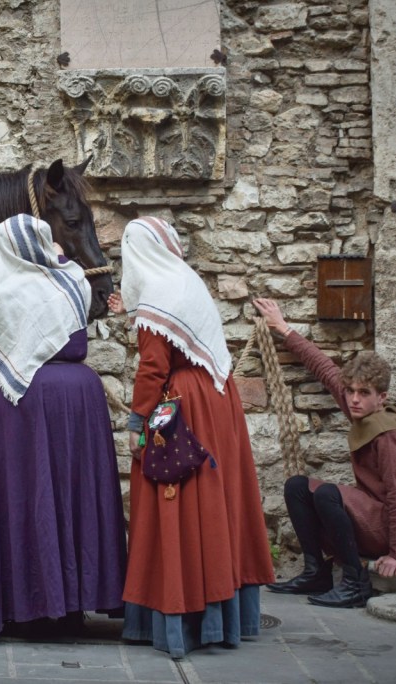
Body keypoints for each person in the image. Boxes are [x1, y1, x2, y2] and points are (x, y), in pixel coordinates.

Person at [108, 216, 274, 658]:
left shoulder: (156, 302)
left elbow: (153, 368)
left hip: (182, 405)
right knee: (217, 502)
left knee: (175, 504)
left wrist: (136, 424)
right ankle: (225, 615)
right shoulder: (185, 281)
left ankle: (182, 620)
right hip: (218, 402)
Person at [0, 213, 128, 643]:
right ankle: (72, 604)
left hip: (20, 403)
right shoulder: (72, 279)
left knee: (24, 497)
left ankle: (26, 607)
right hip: (77, 399)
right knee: (74, 496)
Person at [252, 297, 396, 608]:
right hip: (369, 516)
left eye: (364, 393)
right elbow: (326, 369)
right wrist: (283, 328)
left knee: (329, 493)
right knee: (298, 487)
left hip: (387, 528)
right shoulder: (360, 410)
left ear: (381, 397)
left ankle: (355, 582)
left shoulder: (388, 433)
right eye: (352, 391)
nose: (354, 399)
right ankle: (317, 572)